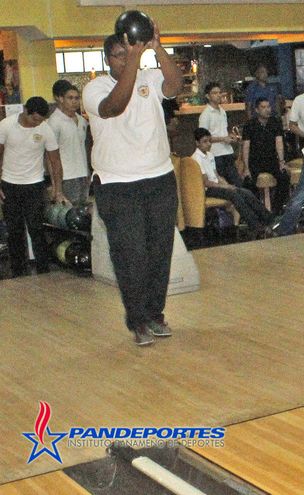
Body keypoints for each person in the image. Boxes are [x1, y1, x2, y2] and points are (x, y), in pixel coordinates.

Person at [82, 28, 183, 346]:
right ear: (107, 59)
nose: (126, 60)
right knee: (131, 255)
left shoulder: (150, 78)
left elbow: (175, 85)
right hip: (117, 184)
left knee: (159, 252)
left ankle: (154, 315)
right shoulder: (95, 88)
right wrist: (136, 58)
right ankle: (137, 320)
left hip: (159, 178)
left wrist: (158, 48)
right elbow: (115, 106)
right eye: (119, 55)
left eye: (130, 53)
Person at [0, 96, 67, 277]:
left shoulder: (45, 129)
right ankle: (18, 272)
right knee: (14, 231)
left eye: (41, 120)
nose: (37, 123)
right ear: (25, 112)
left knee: (37, 228)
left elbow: (55, 161)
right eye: (34, 119)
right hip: (10, 185)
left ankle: (44, 270)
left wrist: (58, 190)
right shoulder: (6, 126)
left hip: (35, 185)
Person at [192, 128, 273, 237]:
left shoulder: (210, 155)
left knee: (245, 192)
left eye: (209, 141)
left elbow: (217, 176)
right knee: (234, 195)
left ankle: (268, 219)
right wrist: (225, 187)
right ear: (197, 143)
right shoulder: (196, 159)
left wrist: (226, 185)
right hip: (207, 189)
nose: (209, 144)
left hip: (217, 185)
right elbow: (206, 182)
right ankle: (256, 225)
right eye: (205, 142)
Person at [241, 97, 290, 213]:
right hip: (255, 161)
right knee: (248, 182)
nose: (267, 110)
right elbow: (246, 147)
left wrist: (282, 162)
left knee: (284, 177)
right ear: (257, 110)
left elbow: (279, 142)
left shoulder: (275, 122)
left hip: (271, 160)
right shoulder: (250, 125)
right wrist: (246, 168)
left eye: (268, 107)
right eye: (263, 107)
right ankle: (259, 212)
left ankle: (276, 210)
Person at [48, 79, 90, 205]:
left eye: (77, 98)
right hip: (66, 177)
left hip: (83, 174)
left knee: (82, 212)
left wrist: (88, 173)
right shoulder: (54, 122)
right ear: (61, 99)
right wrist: (56, 186)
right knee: (70, 212)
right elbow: (50, 157)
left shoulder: (82, 121)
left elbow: (85, 148)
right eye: (70, 98)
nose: (74, 101)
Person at [199, 82, 241, 186]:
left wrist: (230, 136)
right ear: (207, 96)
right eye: (214, 93)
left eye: (219, 92)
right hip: (216, 154)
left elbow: (222, 131)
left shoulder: (222, 111)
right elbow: (203, 138)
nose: (218, 95)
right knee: (224, 185)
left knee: (237, 183)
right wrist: (223, 139)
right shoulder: (205, 114)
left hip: (227, 151)